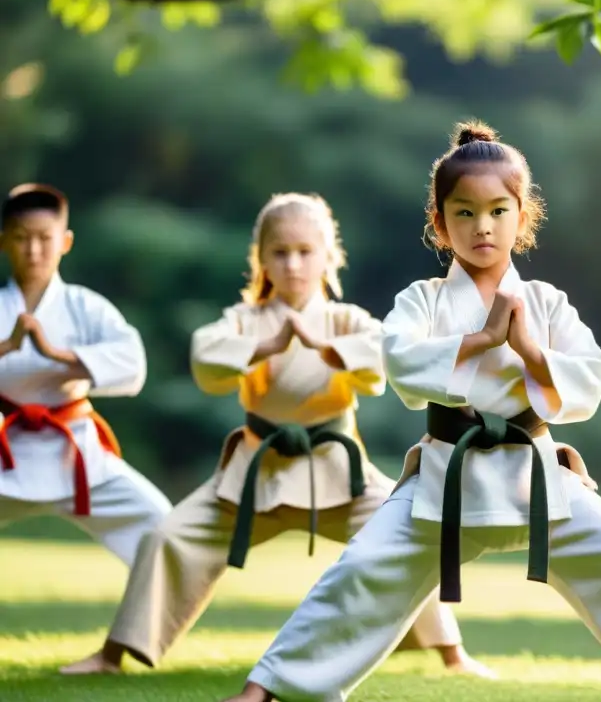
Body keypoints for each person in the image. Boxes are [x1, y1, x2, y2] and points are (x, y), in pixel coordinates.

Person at [219, 124, 601, 702]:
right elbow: (401, 363)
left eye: (496, 210)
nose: (481, 226)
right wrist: (482, 341)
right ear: (440, 223)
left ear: (522, 215)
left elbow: (589, 377)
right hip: (446, 478)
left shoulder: (546, 303)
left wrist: (529, 350)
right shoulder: (423, 300)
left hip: (536, 477)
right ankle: (263, 689)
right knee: (363, 568)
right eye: (463, 213)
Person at [60, 192, 491, 678]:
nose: (293, 264)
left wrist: (328, 350)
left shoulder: (345, 320)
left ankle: (451, 652)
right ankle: (113, 654)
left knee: (408, 530)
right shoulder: (246, 321)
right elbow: (207, 356)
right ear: (261, 259)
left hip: (337, 470)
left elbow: (381, 357)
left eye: (306, 251)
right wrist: (269, 344)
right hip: (255, 470)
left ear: (329, 256)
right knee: (170, 536)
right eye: (280, 252)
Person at [0, 183, 171, 563]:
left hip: (76, 450)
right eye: (21, 238)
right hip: (4, 449)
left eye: (45, 238)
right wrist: (8, 346)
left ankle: (143, 625)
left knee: (164, 530)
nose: (33, 250)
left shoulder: (87, 307)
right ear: (3, 242)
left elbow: (132, 363)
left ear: (66, 241)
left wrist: (57, 355)